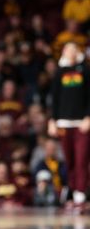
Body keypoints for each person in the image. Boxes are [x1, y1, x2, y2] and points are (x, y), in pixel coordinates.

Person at [48, 41, 90, 210]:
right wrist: (52, 120)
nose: (70, 52)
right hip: (63, 123)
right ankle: (72, 194)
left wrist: (88, 117)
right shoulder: (59, 72)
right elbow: (55, 98)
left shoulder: (85, 70)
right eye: (67, 49)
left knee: (82, 159)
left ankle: (81, 195)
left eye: (73, 49)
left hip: (82, 124)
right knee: (69, 160)